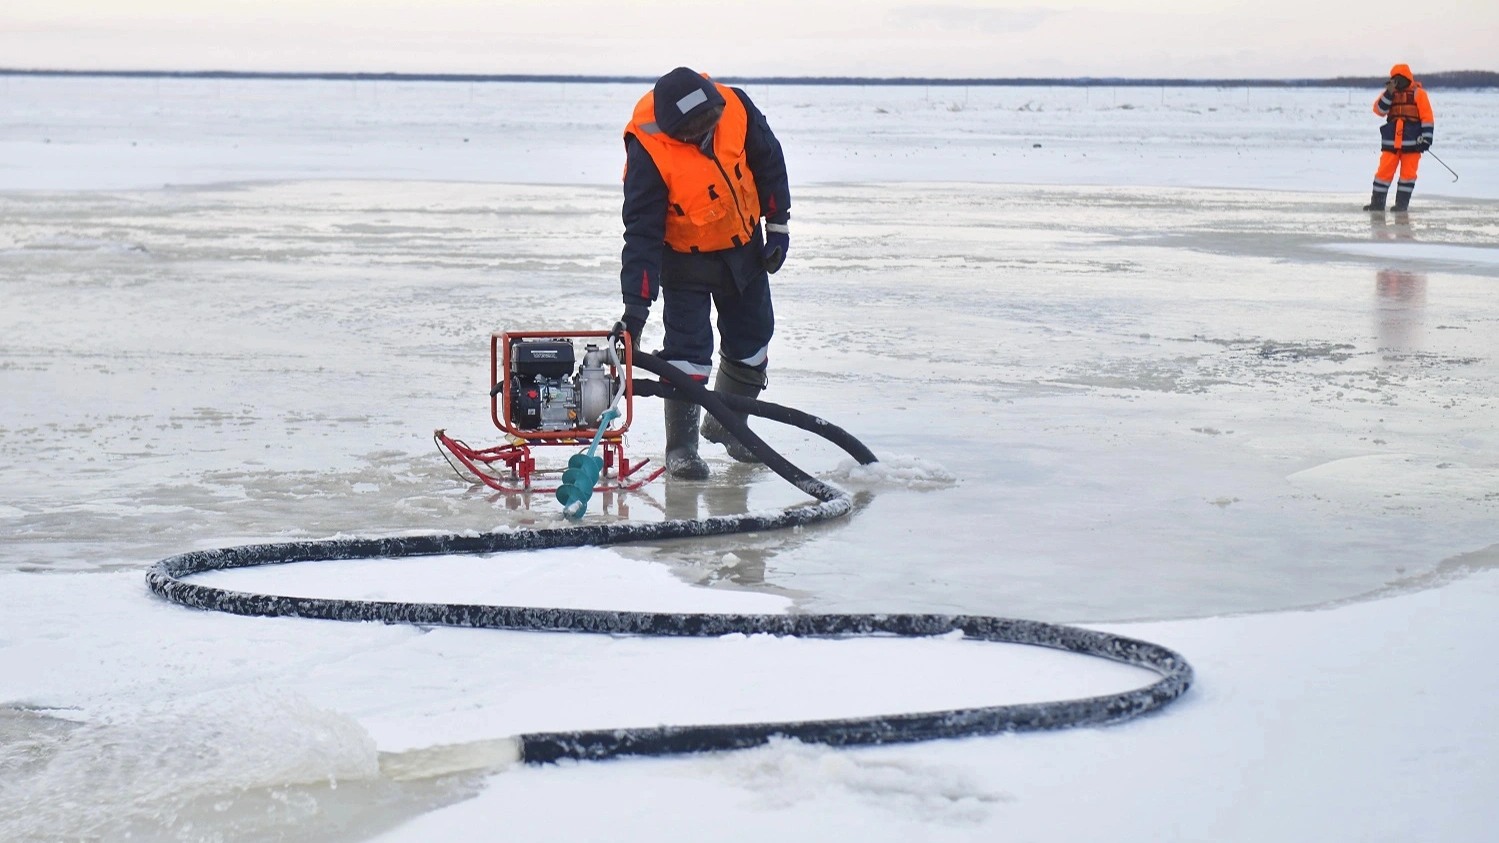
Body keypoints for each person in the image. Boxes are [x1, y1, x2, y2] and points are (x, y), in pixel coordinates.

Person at [616, 67, 792, 479]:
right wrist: (635, 308)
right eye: (693, 135)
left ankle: (730, 424)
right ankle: (681, 447)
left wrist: (778, 225)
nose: (705, 138)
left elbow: (770, 163)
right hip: (683, 258)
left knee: (753, 339)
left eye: (709, 127)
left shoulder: (736, 107)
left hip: (742, 247)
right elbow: (641, 232)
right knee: (687, 352)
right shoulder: (648, 149)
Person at [1364, 64, 1434, 213]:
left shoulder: (1419, 94)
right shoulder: (1389, 94)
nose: (1397, 83)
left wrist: (1426, 139)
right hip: (1391, 143)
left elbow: (1427, 118)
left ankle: (1401, 205)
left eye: (1399, 79)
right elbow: (1379, 110)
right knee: (1383, 173)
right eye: (1394, 80)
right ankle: (1377, 203)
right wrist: (1389, 93)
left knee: (1408, 176)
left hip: (1413, 144)